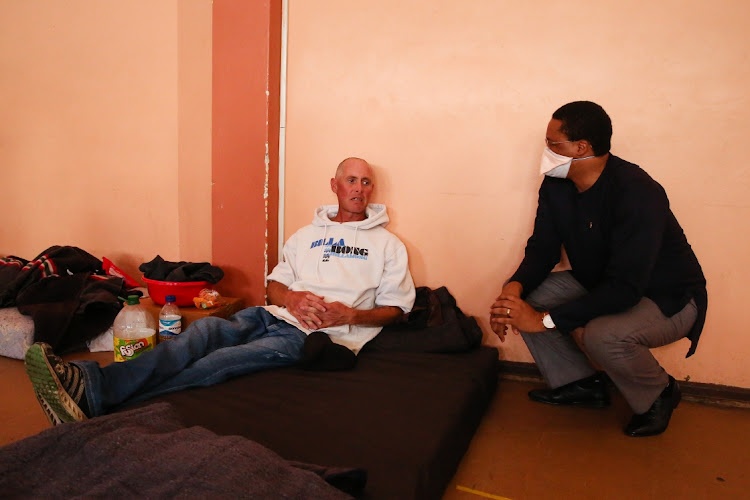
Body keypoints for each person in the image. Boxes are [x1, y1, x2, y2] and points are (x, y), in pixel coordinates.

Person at [25, 157, 416, 426]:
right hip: (273, 315)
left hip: (319, 335)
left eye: (366, 182)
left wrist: (350, 316)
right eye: (352, 179)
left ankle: (95, 395)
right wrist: (291, 298)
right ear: (334, 185)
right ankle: (91, 388)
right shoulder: (306, 236)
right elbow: (274, 285)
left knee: (218, 363)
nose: (359, 188)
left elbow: (397, 310)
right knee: (199, 335)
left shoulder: (387, 245)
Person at [490, 101, 707, 437]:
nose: (545, 150)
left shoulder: (637, 191)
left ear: (581, 148)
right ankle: (581, 384)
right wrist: (513, 290)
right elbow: (544, 248)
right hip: (603, 283)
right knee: (527, 295)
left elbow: (626, 288)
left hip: (669, 297)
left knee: (602, 335)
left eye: (552, 143)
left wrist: (543, 320)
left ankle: (660, 393)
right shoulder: (556, 185)